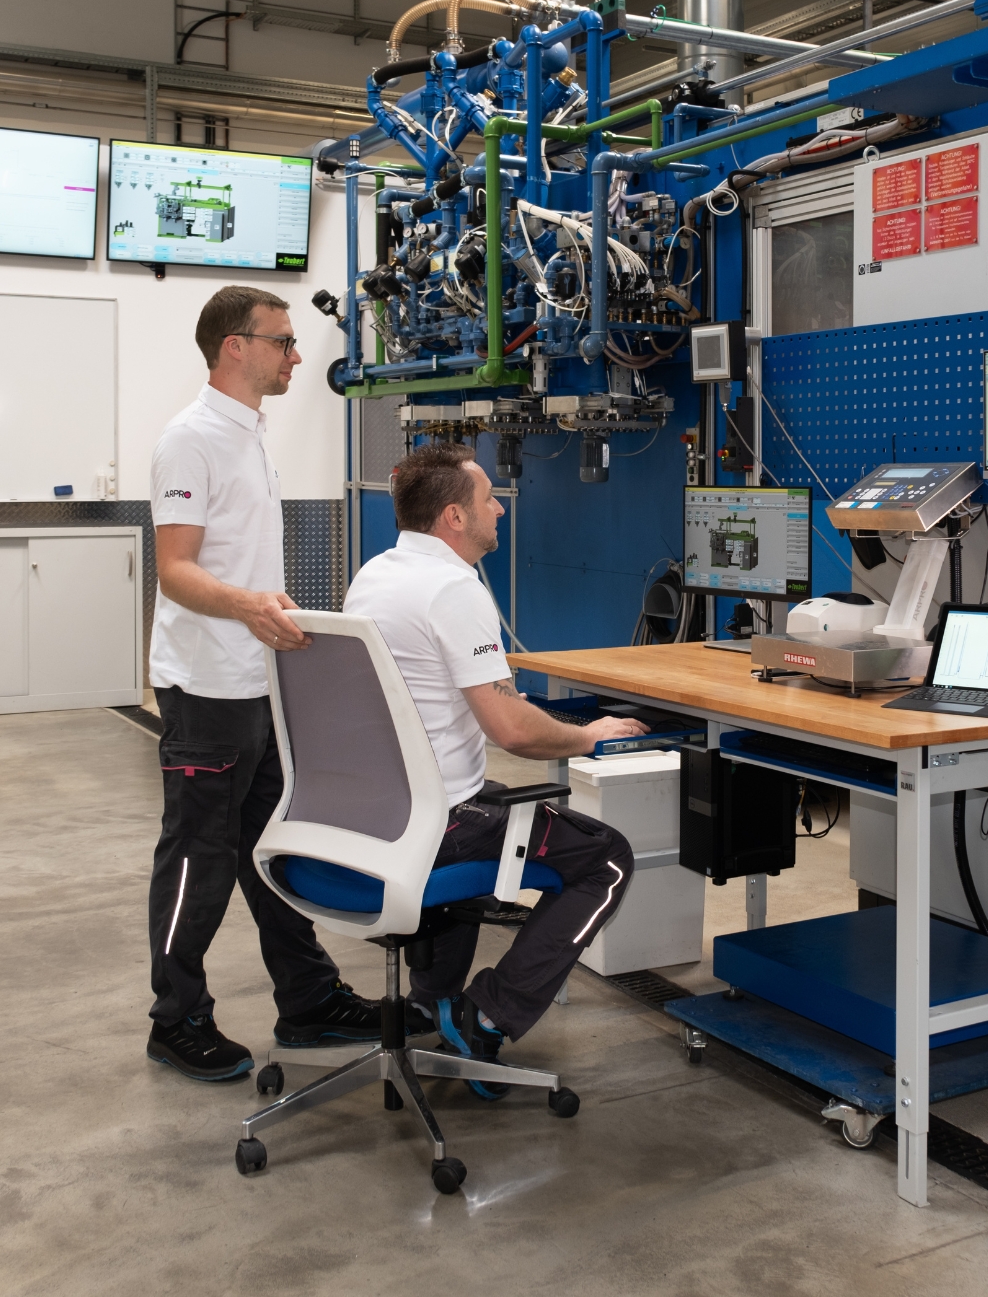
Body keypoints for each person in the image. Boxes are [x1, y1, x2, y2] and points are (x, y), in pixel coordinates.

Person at [146, 285, 400, 1082]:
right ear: (234, 346)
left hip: (259, 685)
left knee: (272, 849)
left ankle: (309, 998)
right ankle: (176, 1017)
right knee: (199, 856)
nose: (296, 356)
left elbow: (233, 565)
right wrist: (247, 605)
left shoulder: (251, 435)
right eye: (283, 341)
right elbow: (176, 573)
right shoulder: (191, 440)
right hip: (206, 688)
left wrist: (267, 606)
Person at [342, 442, 647, 1095]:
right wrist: (589, 736)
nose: (501, 509)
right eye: (488, 499)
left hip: (367, 817)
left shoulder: (376, 575)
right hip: (434, 826)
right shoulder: (453, 589)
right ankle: (485, 1017)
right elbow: (510, 727)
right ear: (454, 517)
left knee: (495, 800)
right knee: (607, 857)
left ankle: (432, 1006)